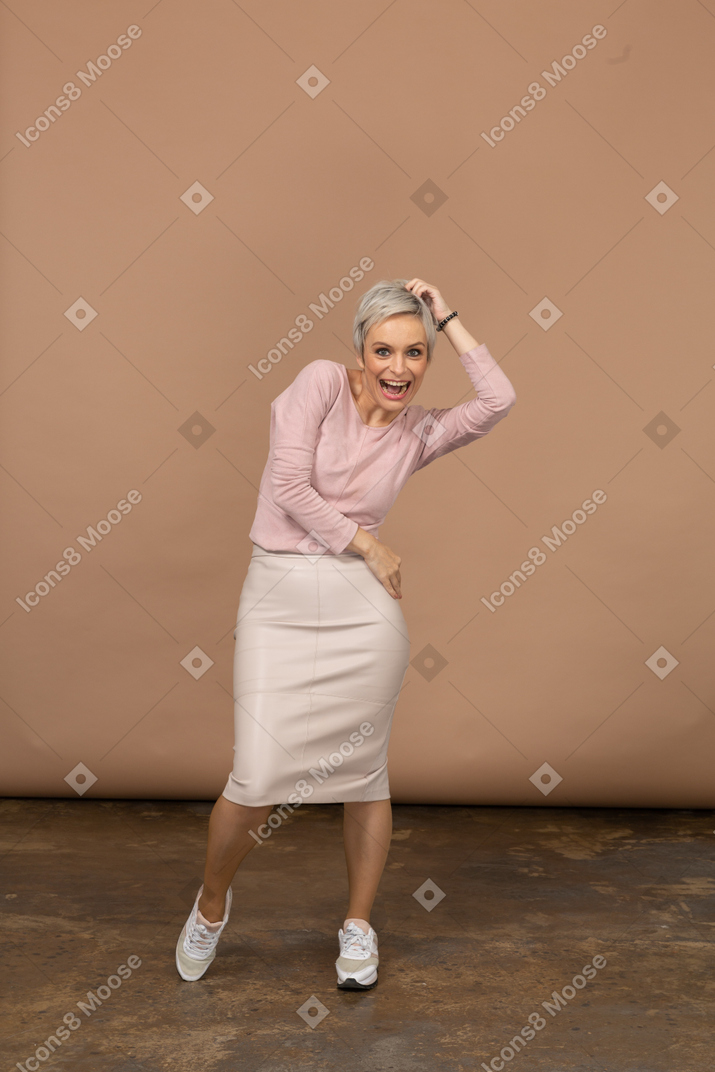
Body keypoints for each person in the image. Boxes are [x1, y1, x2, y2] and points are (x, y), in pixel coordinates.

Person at [176, 277, 517, 989]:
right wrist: (370, 545)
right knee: (258, 774)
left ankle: (357, 927)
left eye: (416, 352)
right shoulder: (320, 385)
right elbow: (289, 488)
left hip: (364, 611)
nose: (399, 368)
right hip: (279, 591)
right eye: (384, 350)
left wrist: (448, 315)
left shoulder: (420, 430)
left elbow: (497, 402)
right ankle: (211, 904)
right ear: (359, 352)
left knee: (364, 774)